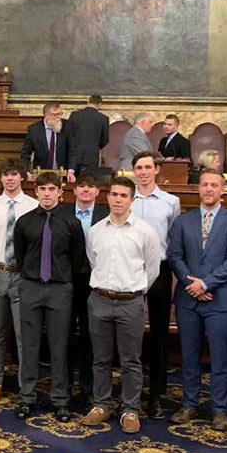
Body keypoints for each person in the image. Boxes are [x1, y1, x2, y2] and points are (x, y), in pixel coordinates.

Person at [167, 169, 227, 431]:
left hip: (221, 301)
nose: (209, 189)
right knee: (188, 355)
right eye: (205, 185)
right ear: (198, 189)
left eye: (214, 185)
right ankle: (189, 404)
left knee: (220, 357)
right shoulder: (183, 221)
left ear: (223, 190)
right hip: (188, 300)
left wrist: (206, 283)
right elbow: (174, 256)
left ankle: (219, 410)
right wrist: (192, 283)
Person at [79, 176, 161, 434]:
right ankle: (102, 404)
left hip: (130, 302)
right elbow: (94, 261)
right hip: (100, 300)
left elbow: (153, 269)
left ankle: (129, 409)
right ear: (108, 197)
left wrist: (132, 290)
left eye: (123, 195)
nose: (117, 199)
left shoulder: (145, 232)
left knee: (130, 360)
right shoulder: (95, 231)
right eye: (114, 194)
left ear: (132, 200)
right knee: (100, 358)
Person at [13, 171, 87, 422]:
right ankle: (27, 397)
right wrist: (31, 276)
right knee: (30, 344)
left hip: (59, 289)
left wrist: (63, 279)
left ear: (60, 192)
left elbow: (77, 260)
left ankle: (60, 400)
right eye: (42, 189)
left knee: (59, 345)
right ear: (36, 192)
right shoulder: (24, 222)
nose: (47, 194)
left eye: (51, 189)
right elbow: (21, 256)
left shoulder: (71, 223)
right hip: (31, 285)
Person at [0, 158, 38, 403]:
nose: (10, 178)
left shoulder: (34, 206)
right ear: (1, 178)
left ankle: (26, 385)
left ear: (22, 177)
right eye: (6, 175)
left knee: (24, 333)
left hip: (23, 275)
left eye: (14, 174)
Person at [130, 151, 180, 420]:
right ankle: (131, 393)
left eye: (148, 167)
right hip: (130, 269)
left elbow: (173, 238)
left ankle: (156, 394)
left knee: (159, 334)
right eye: (139, 168)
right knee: (131, 333)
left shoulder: (171, 202)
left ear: (157, 170)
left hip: (160, 270)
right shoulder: (127, 198)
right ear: (133, 171)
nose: (144, 172)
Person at [54, 174, 109, 403]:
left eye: (91, 187)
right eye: (82, 187)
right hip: (66, 281)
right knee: (63, 333)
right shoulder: (61, 213)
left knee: (90, 335)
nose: (86, 191)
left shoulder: (106, 214)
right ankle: (63, 385)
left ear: (97, 192)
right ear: (74, 191)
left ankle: (88, 387)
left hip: (96, 282)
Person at [20, 102, 77, 182]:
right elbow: (25, 153)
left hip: (62, 176)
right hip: (40, 176)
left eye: (60, 114)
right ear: (46, 115)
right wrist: (27, 172)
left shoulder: (67, 126)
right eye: (55, 115)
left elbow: (73, 151)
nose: (59, 117)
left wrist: (71, 170)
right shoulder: (34, 129)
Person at [67, 95, 109, 177]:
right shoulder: (103, 119)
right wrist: (95, 146)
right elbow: (105, 140)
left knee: (71, 184)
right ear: (100, 104)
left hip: (73, 157)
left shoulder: (74, 115)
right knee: (88, 184)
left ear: (88, 102)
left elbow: (68, 135)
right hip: (91, 157)